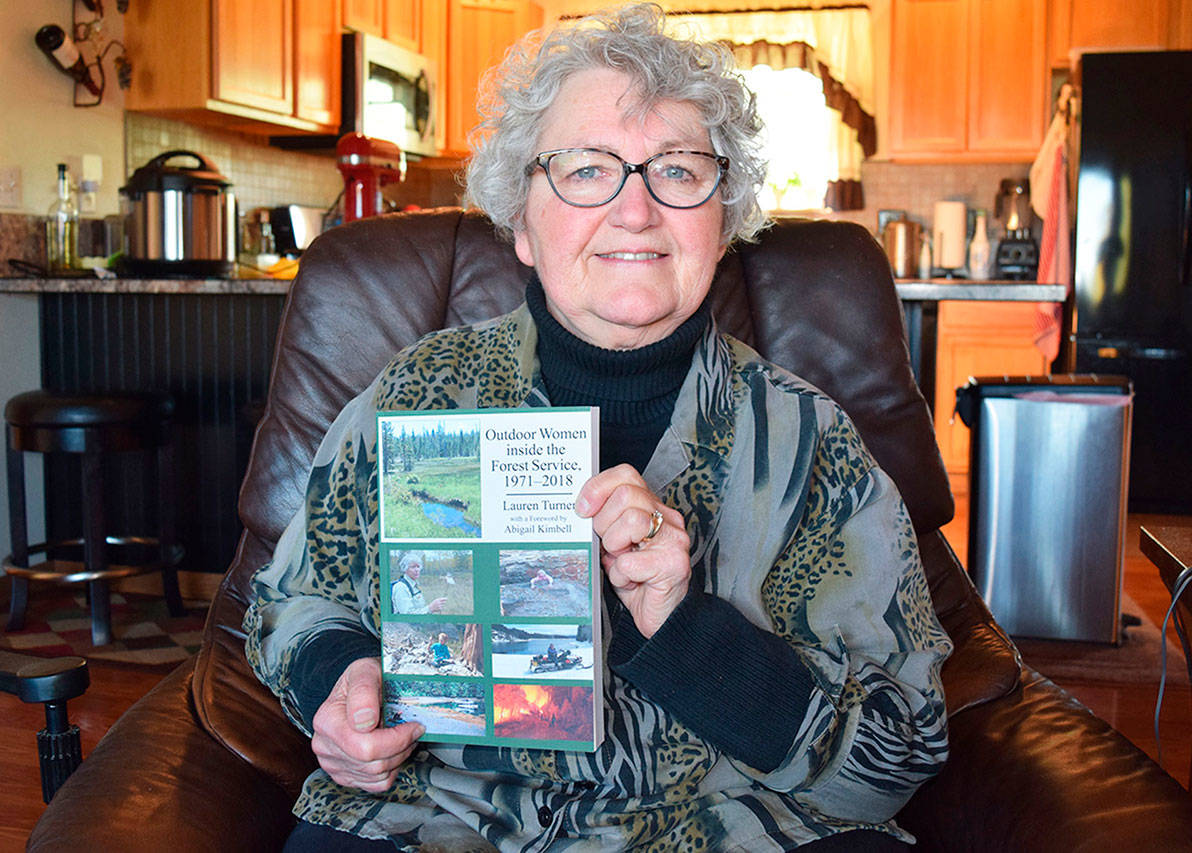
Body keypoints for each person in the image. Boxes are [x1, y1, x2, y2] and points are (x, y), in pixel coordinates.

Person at [244, 5, 951, 850]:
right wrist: (342, 682)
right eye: (587, 169)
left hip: (732, 823)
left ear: (722, 218)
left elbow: (896, 755)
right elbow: (297, 600)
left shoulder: (807, 442)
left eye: (678, 170)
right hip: (443, 815)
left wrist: (688, 627)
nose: (636, 209)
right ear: (522, 223)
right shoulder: (419, 397)